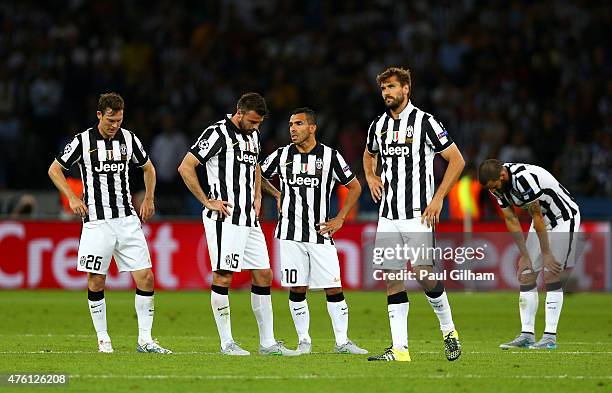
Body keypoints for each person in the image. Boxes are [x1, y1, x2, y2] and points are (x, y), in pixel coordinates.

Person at [47, 92, 171, 354]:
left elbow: (148, 167)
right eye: (111, 120)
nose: (115, 126)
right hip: (96, 221)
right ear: (99, 115)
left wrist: (148, 198)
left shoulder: (129, 139)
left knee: (146, 278)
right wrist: (71, 197)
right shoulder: (82, 141)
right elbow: (54, 169)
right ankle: (103, 339)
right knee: (96, 280)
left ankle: (145, 340)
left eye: (119, 120)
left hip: (127, 219)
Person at [178, 92, 296, 356]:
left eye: (259, 124)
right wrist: (207, 201)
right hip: (225, 218)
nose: (256, 127)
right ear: (239, 112)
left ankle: (267, 344)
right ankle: (226, 342)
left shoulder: (252, 136)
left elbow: (254, 166)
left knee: (264, 274)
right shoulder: (216, 134)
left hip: (249, 218)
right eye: (253, 122)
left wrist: (261, 195)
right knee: (224, 275)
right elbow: (186, 167)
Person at [363, 67, 465, 362]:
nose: (387, 93)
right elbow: (369, 153)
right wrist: (370, 176)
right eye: (384, 89)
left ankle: (449, 331)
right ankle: (400, 349)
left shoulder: (426, 123)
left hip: (418, 213)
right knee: (392, 278)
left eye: (392, 87)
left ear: (406, 89)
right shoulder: (378, 125)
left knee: (422, 273)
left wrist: (439, 197)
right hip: (388, 214)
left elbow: (457, 160)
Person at [260, 107, 368, 355]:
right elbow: (257, 173)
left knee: (334, 286)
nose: (292, 129)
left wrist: (340, 218)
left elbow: (354, 187)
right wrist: (275, 193)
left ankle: (342, 342)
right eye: (290, 125)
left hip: (320, 233)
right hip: (290, 234)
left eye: (298, 124)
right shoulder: (281, 155)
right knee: (297, 288)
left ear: (312, 127)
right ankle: (304, 342)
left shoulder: (330, 156)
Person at [478, 159, 581, 349]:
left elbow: (537, 216)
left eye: (494, 186)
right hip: (541, 222)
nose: (494, 190)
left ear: (502, 175)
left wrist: (547, 253)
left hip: (563, 219)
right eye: (491, 188)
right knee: (526, 275)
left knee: (552, 273)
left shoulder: (523, 178)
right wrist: (524, 255)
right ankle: (527, 335)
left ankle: (549, 336)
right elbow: (510, 218)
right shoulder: (496, 186)